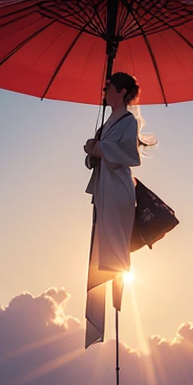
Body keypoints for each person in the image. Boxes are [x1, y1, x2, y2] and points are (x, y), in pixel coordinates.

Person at [83, 72, 141, 348]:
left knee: (115, 245)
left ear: (122, 91)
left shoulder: (129, 121)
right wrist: (93, 149)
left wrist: (99, 148)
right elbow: (100, 156)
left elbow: (130, 156)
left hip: (118, 191)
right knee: (102, 245)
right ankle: (107, 295)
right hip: (106, 189)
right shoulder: (109, 121)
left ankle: (118, 289)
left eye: (109, 87)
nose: (105, 91)